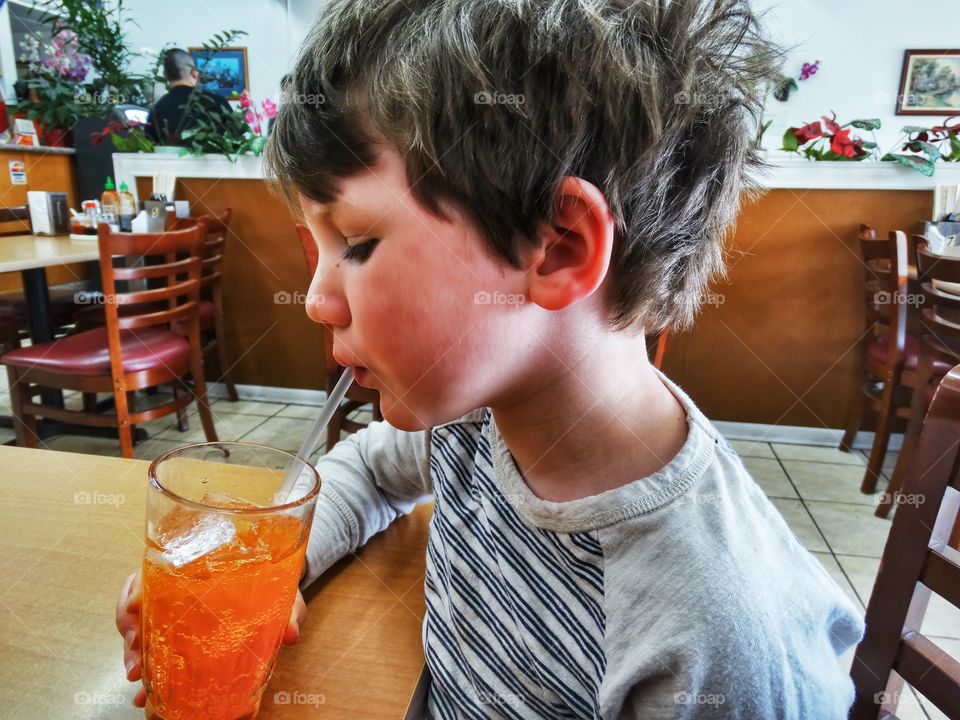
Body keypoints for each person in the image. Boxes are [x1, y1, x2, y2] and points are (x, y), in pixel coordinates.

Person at [117, 1, 866, 717]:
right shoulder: (476, 424)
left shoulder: (716, 644)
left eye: (358, 244)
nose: (318, 300)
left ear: (559, 249)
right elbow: (372, 469)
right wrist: (272, 574)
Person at [146, 48, 232, 145]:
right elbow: (236, 137)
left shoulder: (156, 110)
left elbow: (149, 147)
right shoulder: (217, 101)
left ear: (165, 75)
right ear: (194, 73)